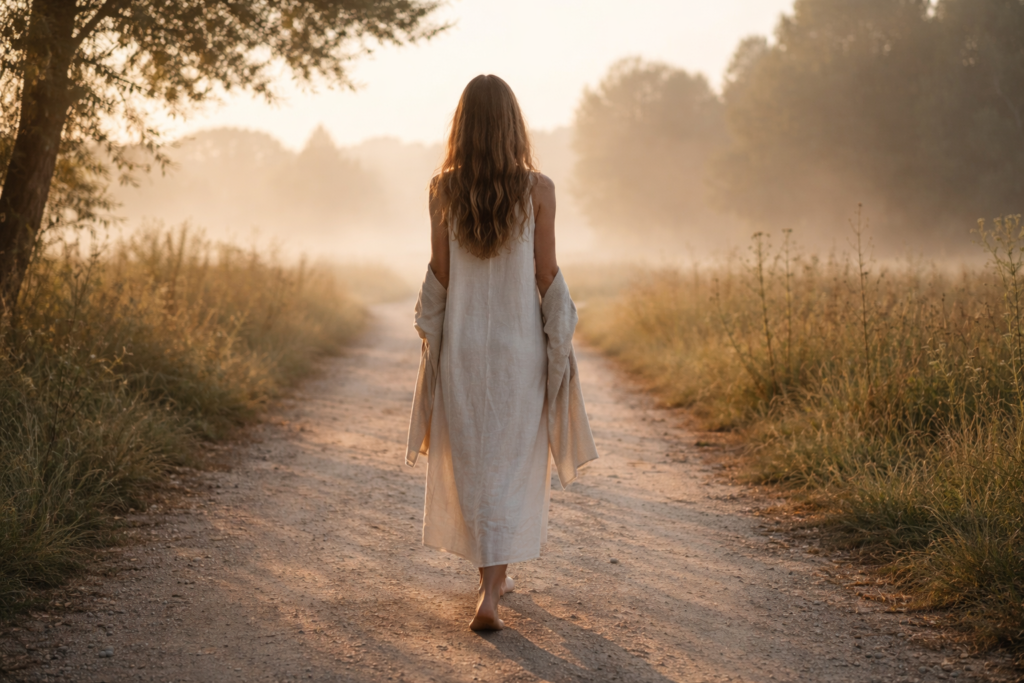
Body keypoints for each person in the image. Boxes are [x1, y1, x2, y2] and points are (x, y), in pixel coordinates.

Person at [406, 74, 598, 631]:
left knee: (474, 459)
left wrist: (429, 335)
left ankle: (489, 585)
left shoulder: (443, 190)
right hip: (519, 351)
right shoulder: (539, 190)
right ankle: (493, 587)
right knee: (512, 462)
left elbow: (441, 275)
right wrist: (561, 331)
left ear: (462, 126)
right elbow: (545, 274)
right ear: (513, 125)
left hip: (465, 347)